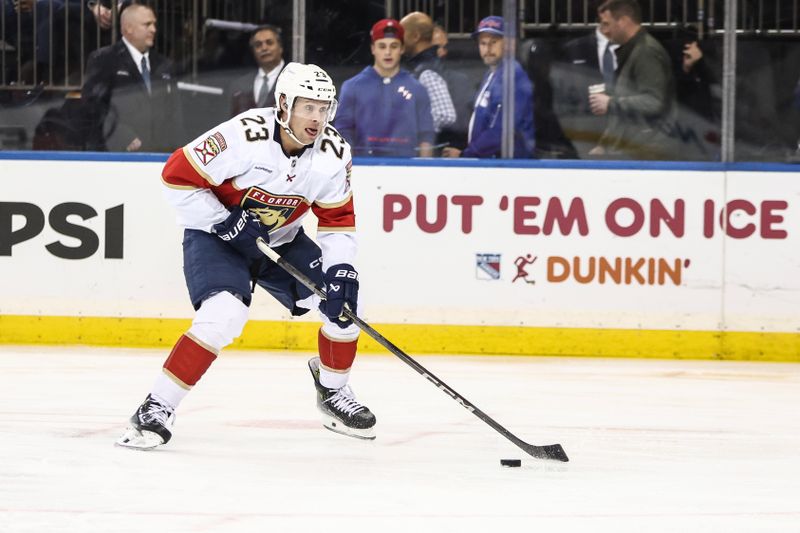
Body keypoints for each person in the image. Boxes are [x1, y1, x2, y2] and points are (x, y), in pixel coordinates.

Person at [116, 62, 376, 450]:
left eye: (324, 108)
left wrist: (341, 269)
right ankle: (155, 407)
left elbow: (337, 219)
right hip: (217, 236)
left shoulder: (333, 153)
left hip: (281, 240)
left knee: (345, 308)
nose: (317, 118)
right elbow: (175, 175)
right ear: (284, 104)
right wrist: (224, 220)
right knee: (224, 315)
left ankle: (332, 392)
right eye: (308, 107)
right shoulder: (244, 135)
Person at [80, 3, 182, 152]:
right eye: (147, 24)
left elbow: (175, 114)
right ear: (128, 28)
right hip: (115, 155)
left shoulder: (165, 65)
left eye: (154, 24)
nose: (153, 29)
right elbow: (92, 108)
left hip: (160, 155)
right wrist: (120, 134)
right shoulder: (104, 59)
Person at [588, 0, 677, 160]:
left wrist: (610, 103)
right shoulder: (632, 51)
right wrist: (604, 144)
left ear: (623, 21)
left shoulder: (646, 52)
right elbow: (625, 109)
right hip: (633, 151)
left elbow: (654, 101)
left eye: (607, 24)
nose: (604, 31)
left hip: (647, 154)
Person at [335, 18, 434, 157]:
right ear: (373, 48)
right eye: (382, 46)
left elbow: (426, 136)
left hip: (408, 169)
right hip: (364, 168)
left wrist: (425, 171)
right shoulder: (352, 87)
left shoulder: (417, 89)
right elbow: (343, 132)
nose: (388, 52)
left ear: (402, 49)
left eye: (393, 46)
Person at [442, 16, 535, 159]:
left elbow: (501, 130)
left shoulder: (512, 76)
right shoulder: (492, 74)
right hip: (492, 162)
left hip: (509, 166)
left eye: (494, 42)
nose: (487, 48)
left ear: (509, 44)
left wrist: (467, 154)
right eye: (483, 43)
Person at [555, 26, 619, 158]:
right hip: (584, 138)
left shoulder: (633, 49)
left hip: (624, 139)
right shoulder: (574, 49)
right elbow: (562, 99)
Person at [400, 11, 456, 136]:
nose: (399, 38)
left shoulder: (427, 71)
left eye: (402, 33)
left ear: (415, 36)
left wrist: (411, 125)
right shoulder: (421, 67)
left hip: (429, 148)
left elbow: (446, 115)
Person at [228, 24, 286, 117]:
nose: (264, 48)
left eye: (269, 42)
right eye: (258, 45)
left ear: (280, 47)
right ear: (253, 51)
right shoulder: (240, 85)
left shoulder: (296, 79)